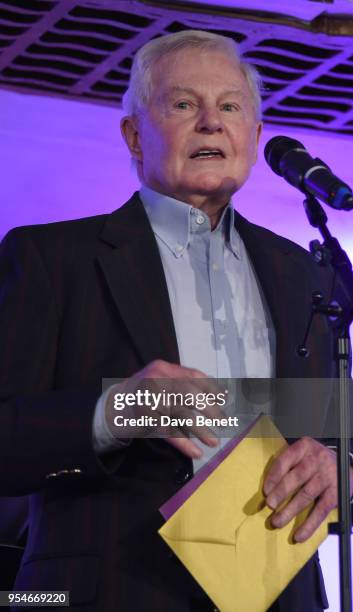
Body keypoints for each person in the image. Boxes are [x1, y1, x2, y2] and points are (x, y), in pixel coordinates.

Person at [0, 29, 350, 612]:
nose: (212, 122)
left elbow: (333, 433)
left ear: (255, 135)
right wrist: (117, 410)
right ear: (134, 135)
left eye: (231, 106)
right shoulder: (49, 259)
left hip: (282, 592)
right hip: (113, 590)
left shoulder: (304, 272)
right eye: (185, 104)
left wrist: (341, 469)